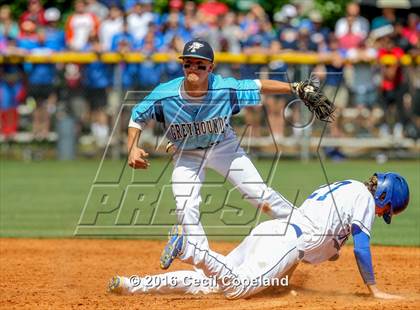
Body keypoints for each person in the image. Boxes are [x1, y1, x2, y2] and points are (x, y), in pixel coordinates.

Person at [126, 39, 331, 271]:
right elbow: (137, 116)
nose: (193, 69)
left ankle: (311, 233)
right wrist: (132, 147)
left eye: (200, 65)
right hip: (186, 154)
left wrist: (294, 88)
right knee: (185, 206)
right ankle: (204, 265)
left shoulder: (224, 88)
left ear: (210, 68)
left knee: (259, 195)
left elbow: (259, 85)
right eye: (188, 64)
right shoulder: (165, 94)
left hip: (224, 146)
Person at [108, 172, 410, 300]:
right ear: (384, 197)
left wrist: (284, 283)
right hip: (286, 243)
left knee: (211, 284)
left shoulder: (350, 187)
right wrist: (374, 291)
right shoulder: (365, 200)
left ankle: (132, 285)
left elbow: (322, 238)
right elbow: (361, 248)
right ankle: (190, 250)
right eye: (387, 208)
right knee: (237, 288)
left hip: (273, 233)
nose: (382, 211)